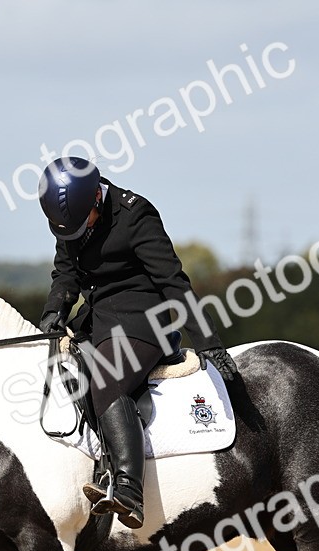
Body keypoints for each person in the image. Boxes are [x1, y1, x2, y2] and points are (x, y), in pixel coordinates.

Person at [37, 156, 238, 529]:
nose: (76, 234)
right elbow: (65, 274)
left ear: (97, 197)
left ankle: (129, 489)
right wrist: (53, 315)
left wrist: (208, 341)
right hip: (97, 320)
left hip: (144, 322)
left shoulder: (136, 215)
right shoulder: (69, 219)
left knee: (106, 380)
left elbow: (173, 283)